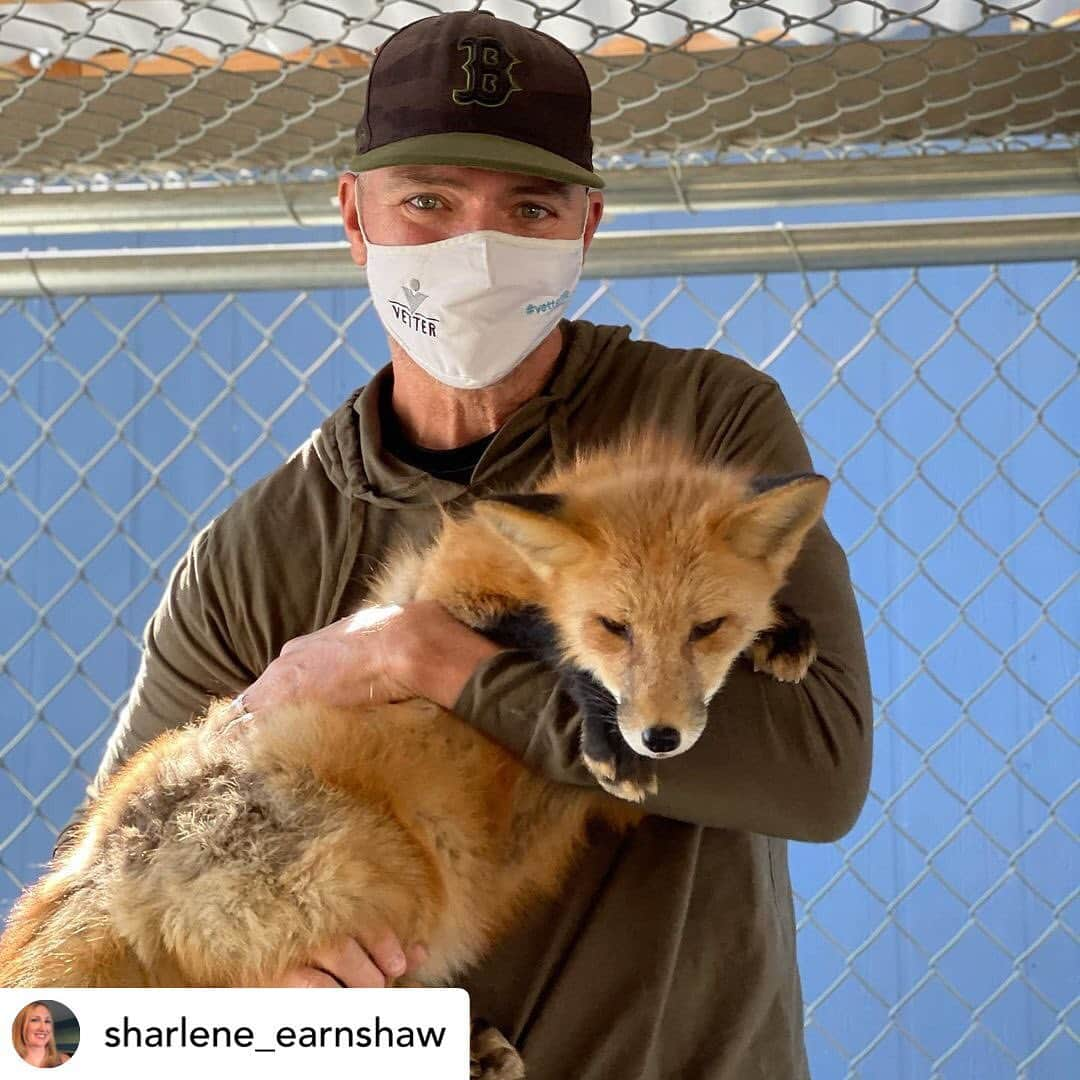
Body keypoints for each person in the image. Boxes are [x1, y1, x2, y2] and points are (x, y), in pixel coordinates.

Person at [62, 10, 872, 1078]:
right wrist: (237, 995)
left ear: (587, 224)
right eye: (428, 204)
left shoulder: (699, 426)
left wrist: (428, 659)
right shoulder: (262, 552)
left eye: (528, 208)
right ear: (354, 216)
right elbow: (108, 919)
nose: (475, 251)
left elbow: (811, 777)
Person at [12, 1002, 71, 1068]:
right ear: (21, 1025)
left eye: (47, 1021)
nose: (43, 1028)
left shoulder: (65, 1060)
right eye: (35, 1020)